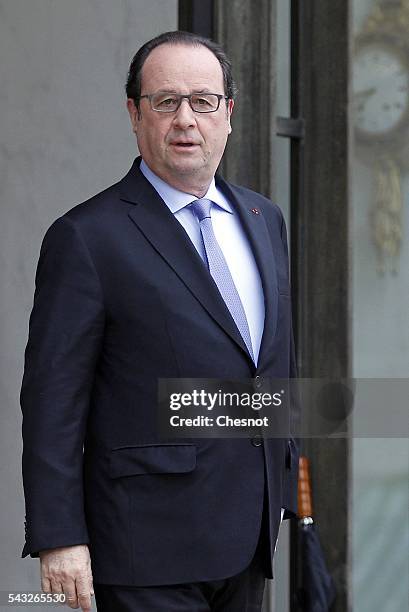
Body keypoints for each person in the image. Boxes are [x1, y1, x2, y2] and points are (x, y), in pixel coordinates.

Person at [21, 31, 299, 612]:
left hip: (249, 536)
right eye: (165, 101)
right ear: (134, 114)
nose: (185, 120)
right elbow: (53, 401)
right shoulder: (87, 238)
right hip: (146, 547)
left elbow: (267, 365)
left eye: (202, 100)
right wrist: (59, 538)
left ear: (228, 113)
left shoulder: (263, 217)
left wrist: (289, 479)